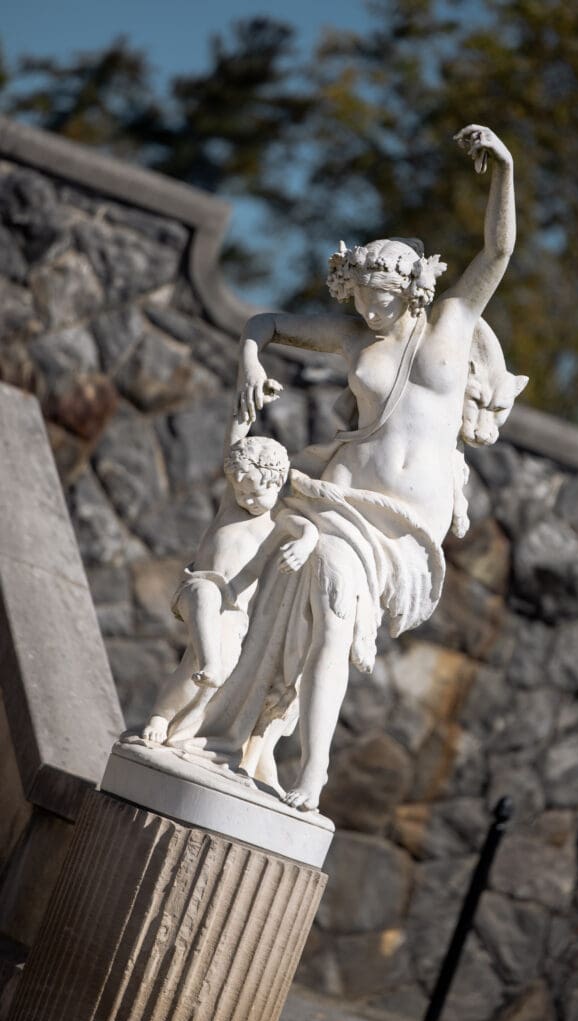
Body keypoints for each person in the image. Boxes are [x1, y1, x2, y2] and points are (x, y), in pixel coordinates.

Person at [177, 125, 519, 811]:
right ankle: (308, 768)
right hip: (339, 499)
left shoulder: (453, 322)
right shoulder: (353, 337)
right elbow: (263, 325)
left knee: (324, 624)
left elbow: (499, 250)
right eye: (358, 297)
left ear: (411, 290)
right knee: (326, 616)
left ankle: (281, 750)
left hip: (406, 523)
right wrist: (249, 365)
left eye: (379, 298)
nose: (367, 309)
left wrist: (504, 170)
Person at [141, 433, 318, 746]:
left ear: (277, 483)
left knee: (202, 669)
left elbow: (307, 529)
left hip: (233, 611)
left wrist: (305, 543)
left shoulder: (278, 522)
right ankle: (162, 712)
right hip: (198, 587)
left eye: (254, 494)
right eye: (240, 491)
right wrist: (243, 400)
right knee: (207, 600)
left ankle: (169, 719)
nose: (246, 499)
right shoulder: (230, 506)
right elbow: (235, 436)